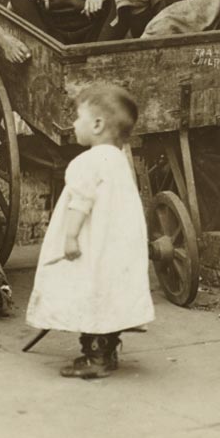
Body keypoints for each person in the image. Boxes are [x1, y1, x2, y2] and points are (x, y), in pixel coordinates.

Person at [26, 83, 155, 379]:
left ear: (97, 124)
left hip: (90, 240)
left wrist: (70, 236)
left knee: (84, 287)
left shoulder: (87, 162)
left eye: (77, 117)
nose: (73, 124)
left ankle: (95, 357)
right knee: (106, 290)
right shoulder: (120, 161)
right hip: (114, 242)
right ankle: (105, 350)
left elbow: (81, 201)